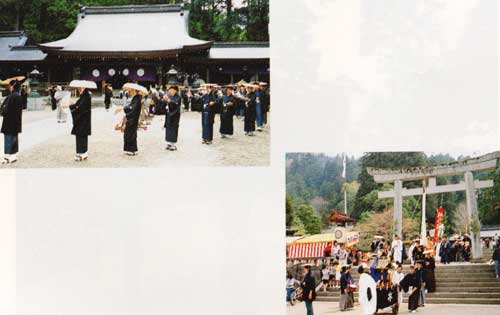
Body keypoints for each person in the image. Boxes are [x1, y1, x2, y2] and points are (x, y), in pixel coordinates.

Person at [1, 79, 23, 164]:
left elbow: (4, 109)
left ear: (12, 86)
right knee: (14, 137)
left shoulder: (11, 96)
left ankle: (8, 156)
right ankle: (13, 156)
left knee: (8, 138)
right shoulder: (18, 96)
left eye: (10, 86)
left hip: (8, 120)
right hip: (16, 120)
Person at [69, 86, 92, 161]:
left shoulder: (87, 96)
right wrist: (71, 106)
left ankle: (83, 153)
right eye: (79, 88)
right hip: (81, 119)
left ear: (85, 88)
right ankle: (80, 152)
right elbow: (77, 105)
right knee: (80, 135)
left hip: (83, 120)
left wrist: (74, 108)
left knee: (82, 136)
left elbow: (80, 107)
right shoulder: (83, 96)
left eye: (81, 88)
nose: (80, 89)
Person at [122, 88, 142, 155]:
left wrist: (125, 108)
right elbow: (131, 106)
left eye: (131, 91)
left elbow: (132, 109)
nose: (130, 92)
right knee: (131, 134)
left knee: (130, 134)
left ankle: (131, 150)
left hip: (133, 119)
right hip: (133, 118)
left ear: (135, 91)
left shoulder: (137, 99)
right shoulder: (136, 98)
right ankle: (132, 149)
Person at [164, 85, 181, 151]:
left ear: (175, 90)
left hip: (175, 115)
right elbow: (166, 103)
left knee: (173, 128)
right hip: (169, 114)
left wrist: (169, 101)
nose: (170, 91)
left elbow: (175, 104)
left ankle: (173, 144)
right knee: (168, 128)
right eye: (170, 90)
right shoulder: (169, 96)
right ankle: (168, 143)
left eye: (171, 90)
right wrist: (165, 100)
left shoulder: (178, 97)